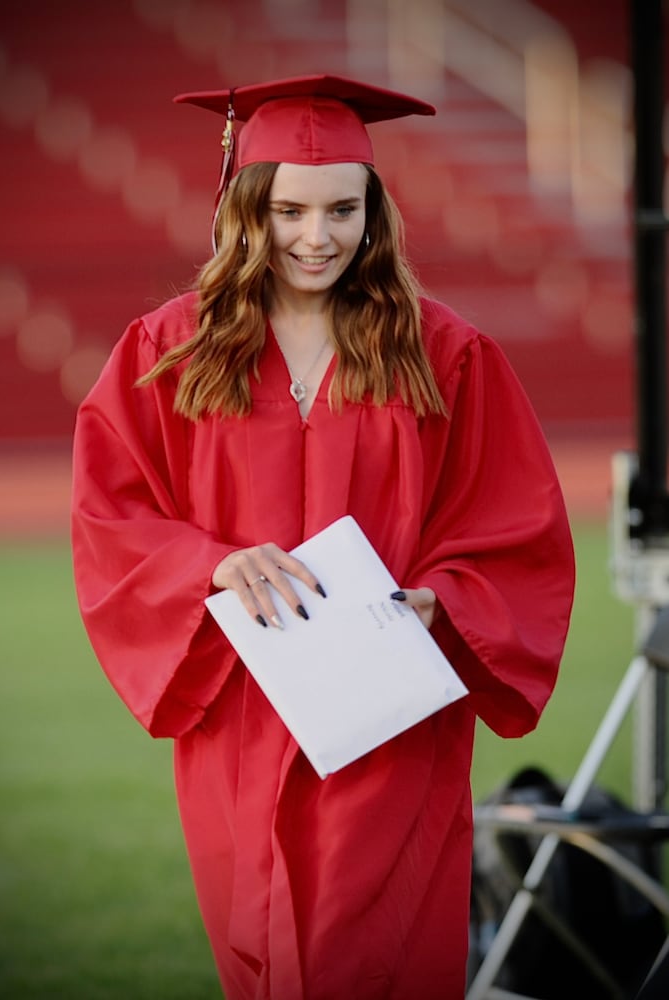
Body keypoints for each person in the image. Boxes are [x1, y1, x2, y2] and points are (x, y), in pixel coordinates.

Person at [71, 74, 575, 1000]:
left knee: (370, 955)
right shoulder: (168, 351)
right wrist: (211, 561)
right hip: (243, 715)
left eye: (342, 209)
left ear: (374, 212)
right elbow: (111, 517)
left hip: (389, 721)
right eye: (289, 211)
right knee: (259, 960)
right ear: (244, 209)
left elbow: (516, 532)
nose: (316, 237)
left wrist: (443, 599)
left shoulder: (444, 354)